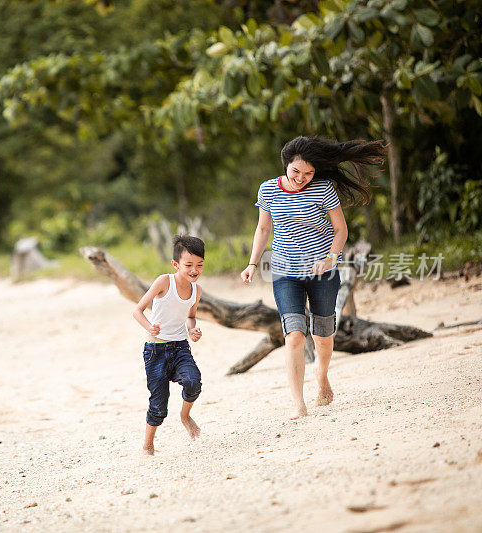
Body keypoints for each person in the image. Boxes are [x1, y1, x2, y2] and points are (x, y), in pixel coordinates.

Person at [240, 136, 385, 419]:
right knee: (294, 336)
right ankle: (298, 404)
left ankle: (321, 377)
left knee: (322, 336)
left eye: (308, 173)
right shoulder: (268, 190)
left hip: (323, 273)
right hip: (285, 273)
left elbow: (341, 230)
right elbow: (262, 230)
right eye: (296, 172)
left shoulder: (323, 190)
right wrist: (252, 264)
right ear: (286, 165)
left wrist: (330, 258)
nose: (301, 178)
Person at [132, 235, 205, 455]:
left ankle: (185, 415)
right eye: (188, 265)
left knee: (193, 382)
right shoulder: (164, 281)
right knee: (158, 404)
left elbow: (190, 316)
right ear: (175, 264)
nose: (194, 270)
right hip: (156, 351)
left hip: (181, 347)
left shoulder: (196, 291)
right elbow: (137, 310)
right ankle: (148, 444)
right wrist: (149, 326)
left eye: (199, 265)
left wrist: (192, 329)